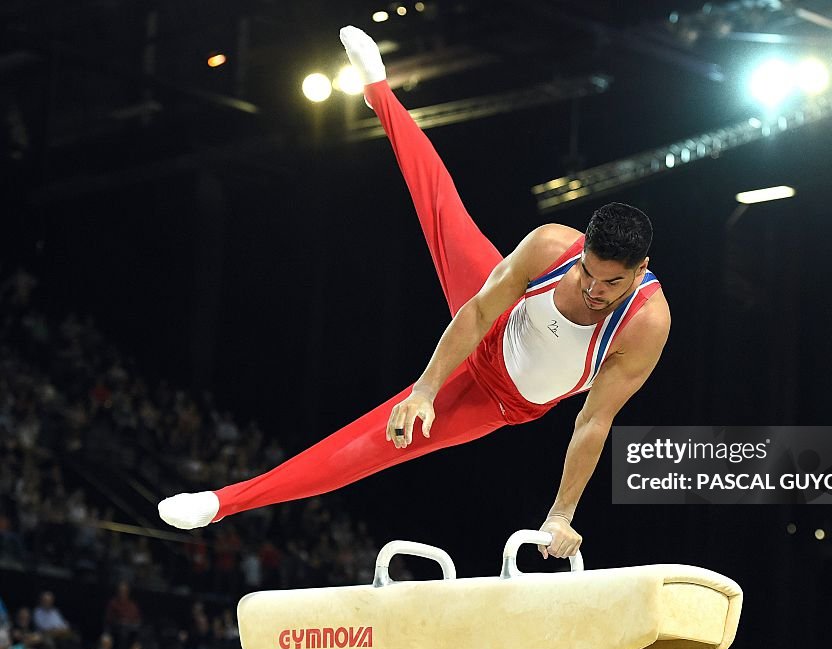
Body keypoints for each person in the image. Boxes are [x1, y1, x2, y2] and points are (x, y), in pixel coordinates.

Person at [158, 27, 669, 563]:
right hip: (489, 326)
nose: (593, 290)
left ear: (641, 271)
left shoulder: (645, 326)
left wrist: (560, 514)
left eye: (611, 282)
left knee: (366, 450)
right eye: (588, 272)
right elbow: (474, 314)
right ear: (582, 248)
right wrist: (425, 389)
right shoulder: (549, 247)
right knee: (442, 205)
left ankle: (220, 503)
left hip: (496, 401)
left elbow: (594, 420)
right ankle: (378, 89)